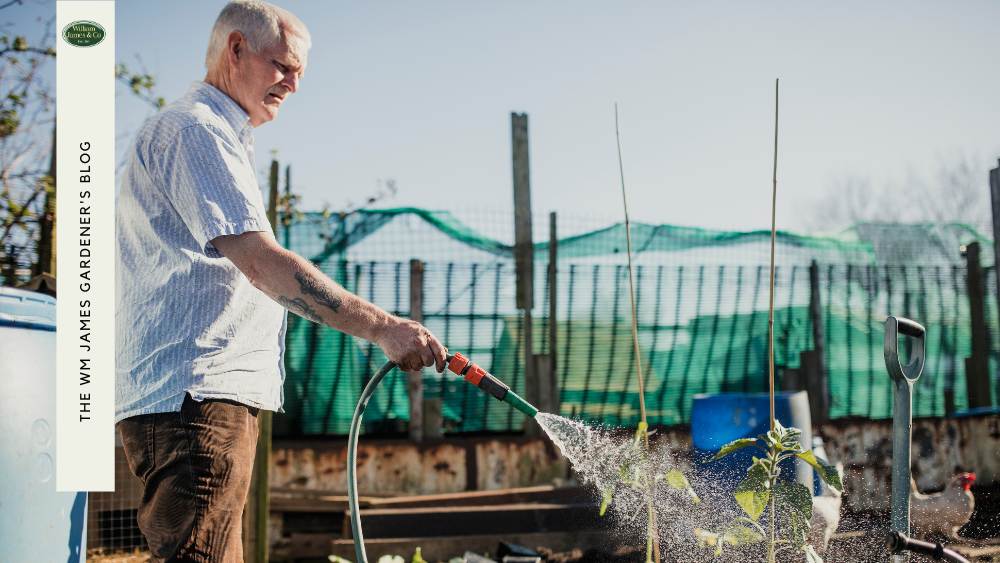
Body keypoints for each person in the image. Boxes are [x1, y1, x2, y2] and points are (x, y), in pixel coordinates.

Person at [115, 2, 447, 560]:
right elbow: (262, 263)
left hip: (197, 398)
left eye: (300, 74)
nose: (293, 85)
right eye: (283, 66)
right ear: (236, 49)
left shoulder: (214, 132)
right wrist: (382, 327)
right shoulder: (196, 130)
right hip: (195, 398)